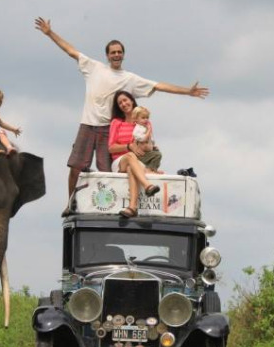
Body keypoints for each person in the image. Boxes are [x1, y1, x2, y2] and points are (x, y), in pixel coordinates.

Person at [34, 17, 209, 217]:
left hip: (107, 128)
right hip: (87, 124)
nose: (116, 55)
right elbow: (71, 51)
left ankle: (108, 206)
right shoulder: (94, 67)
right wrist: (49, 33)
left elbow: (158, 85)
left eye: (119, 52)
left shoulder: (129, 79)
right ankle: (70, 202)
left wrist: (187, 91)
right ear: (107, 56)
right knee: (76, 166)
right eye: (113, 52)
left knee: (105, 170)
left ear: (123, 55)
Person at [108, 91, 161, 218]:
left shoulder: (145, 123)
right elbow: (111, 148)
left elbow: (149, 144)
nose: (123, 104)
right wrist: (129, 146)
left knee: (132, 167)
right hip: (120, 161)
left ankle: (132, 208)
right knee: (131, 156)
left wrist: (150, 147)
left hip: (138, 162)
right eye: (120, 103)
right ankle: (148, 185)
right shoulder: (116, 123)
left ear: (132, 100)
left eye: (125, 100)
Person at [130, 106, 163, 173]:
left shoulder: (145, 128)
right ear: (136, 119)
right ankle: (150, 170)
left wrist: (153, 146)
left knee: (157, 158)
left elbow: (151, 140)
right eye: (143, 118)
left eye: (147, 118)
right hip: (142, 155)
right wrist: (148, 131)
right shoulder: (138, 129)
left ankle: (152, 169)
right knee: (158, 155)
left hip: (148, 153)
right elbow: (143, 139)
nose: (146, 120)